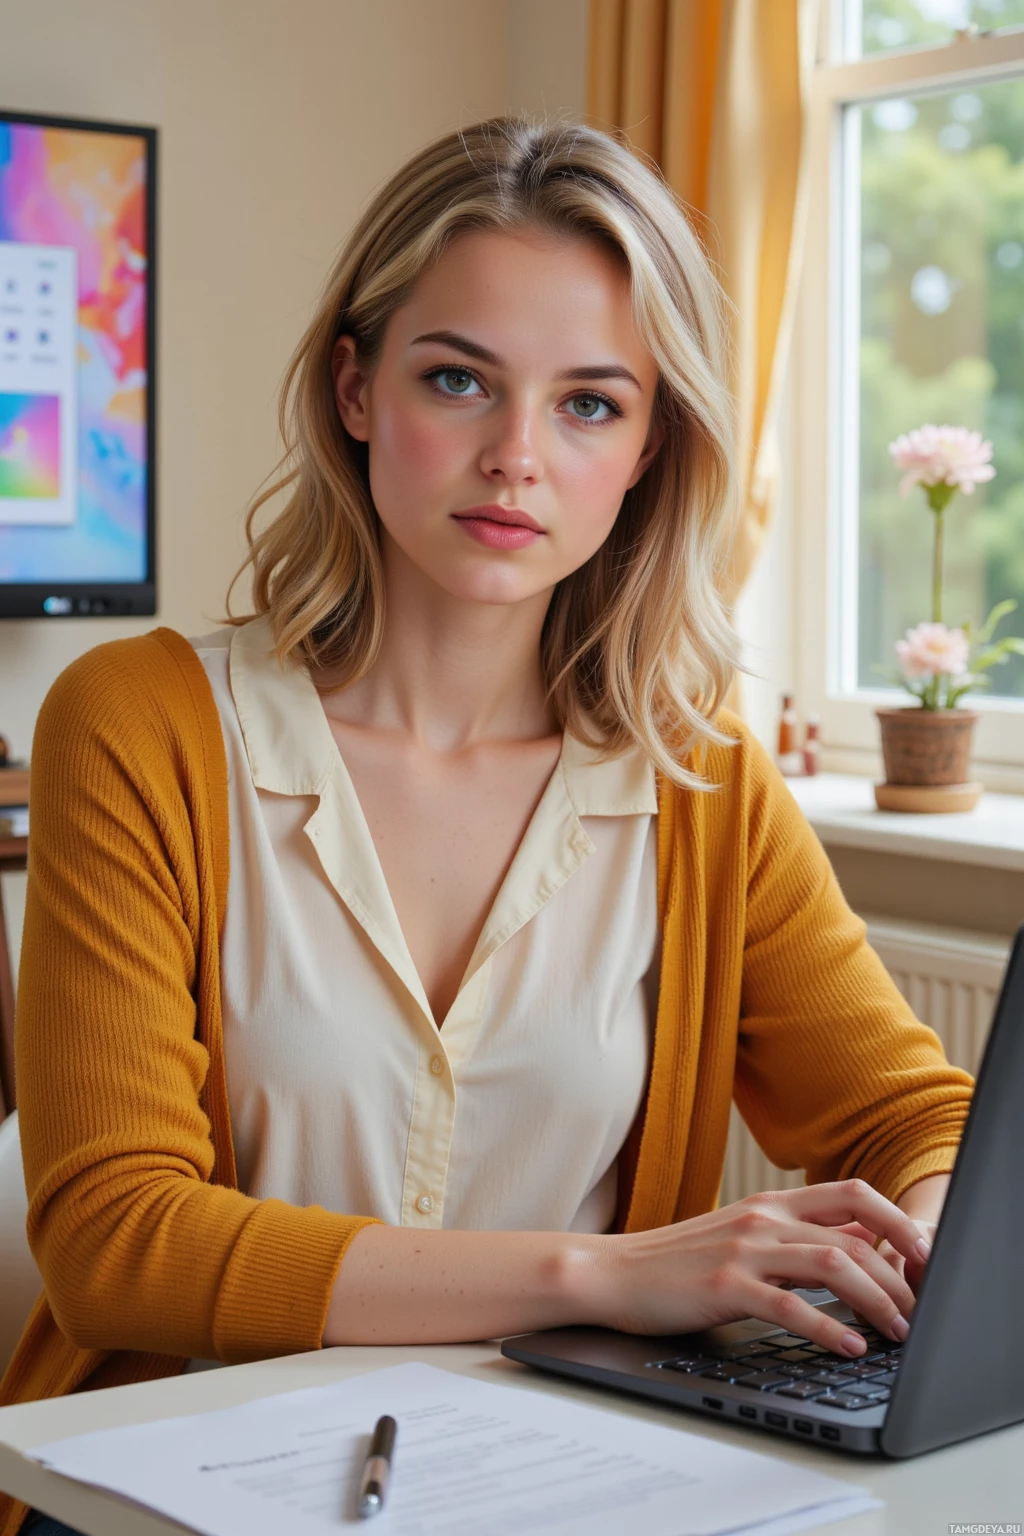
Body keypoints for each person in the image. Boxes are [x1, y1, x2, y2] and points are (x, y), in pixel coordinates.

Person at [1, 118, 972, 1536]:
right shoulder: (138, 726)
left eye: (591, 403)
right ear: (354, 385)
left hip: (569, 1496)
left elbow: (910, 1115)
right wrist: (605, 1275)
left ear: (650, 447)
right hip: (170, 1491)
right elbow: (115, 1247)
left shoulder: (699, 782)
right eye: (459, 380)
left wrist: (932, 1261)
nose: (517, 456)